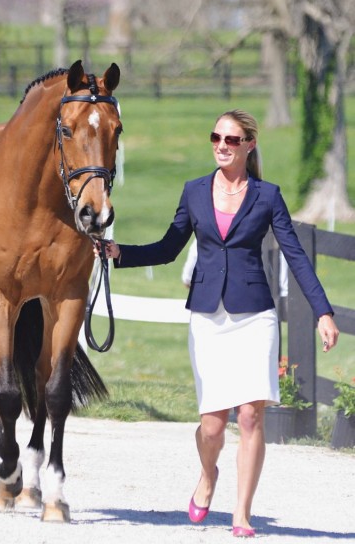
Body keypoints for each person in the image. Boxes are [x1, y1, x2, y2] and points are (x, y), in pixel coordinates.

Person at [96, 109, 339, 538]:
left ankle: (241, 514)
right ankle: (208, 477)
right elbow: (170, 247)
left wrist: (322, 311)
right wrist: (122, 253)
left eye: (231, 139)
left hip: (256, 317)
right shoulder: (194, 192)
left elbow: (295, 256)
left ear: (249, 145)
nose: (222, 146)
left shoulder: (267, 196)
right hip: (208, 318)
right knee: (212, 424)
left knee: (250, 416)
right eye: (216, 138)